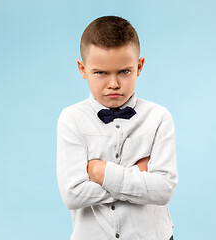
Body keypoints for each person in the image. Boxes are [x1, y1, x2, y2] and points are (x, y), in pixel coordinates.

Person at [57, 16, 178, 240]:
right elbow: (72, 194)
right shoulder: (71, 119)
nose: (113, 84)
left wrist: (100, 172)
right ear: (82, 69)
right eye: (101, 72)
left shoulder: (159, 118)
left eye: (124, 71)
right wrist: (138, 176)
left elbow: (163, 190)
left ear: (139, 66)